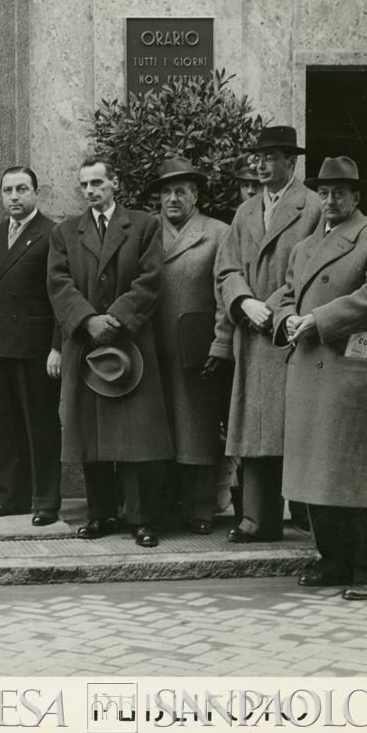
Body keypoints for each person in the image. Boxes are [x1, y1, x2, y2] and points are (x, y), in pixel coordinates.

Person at [273, 157, 367, 600]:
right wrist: (285, 320)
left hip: (349, 370)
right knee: (315, 474)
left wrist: (317, 319)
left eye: (339, 192)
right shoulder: (303, 248)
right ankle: (333, 559)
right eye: (323, 193)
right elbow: (285, 294)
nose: (329, 200)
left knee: (356, 474)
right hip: (309, 367)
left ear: (357, 196)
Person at [47, 155, 174, 548]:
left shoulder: (143, 225)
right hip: (86, 345)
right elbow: (58, 283)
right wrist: (88, 321)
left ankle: (142, 518)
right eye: (85, 185)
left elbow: (151, 280)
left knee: (134, 434)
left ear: (114, 183)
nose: (91, 191)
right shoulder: (66, 232)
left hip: (131, 343)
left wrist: (115, 319)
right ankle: (100, 514)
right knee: (92, 433)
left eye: (98, 183)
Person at [215, 126, 322, 543]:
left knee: (297, 428)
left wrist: (271, 306)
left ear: (291, 162)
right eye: (257, 157)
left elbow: (311, 268)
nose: (259, 164)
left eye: (270, 157)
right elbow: (226, 269)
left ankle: (309, 515)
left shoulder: (311, 206)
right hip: (251, 333)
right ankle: (258, 520)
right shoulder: (245, 212)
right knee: (257, 429)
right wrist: (243, 302)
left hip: (291, 333)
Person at [145, 157, 233, 534]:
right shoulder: (146, 232)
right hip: (152, 347)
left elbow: (225, 290)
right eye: (166, 191)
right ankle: (164, 509)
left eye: (181, 190)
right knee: (158, 429)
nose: (173, 198)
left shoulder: (218, 232)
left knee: (196, 427)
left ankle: (201, 509)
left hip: (197, 346)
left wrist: (221, 341)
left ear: (195, 194)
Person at [0, 166, 63, 525]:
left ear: (35, 194)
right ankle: (11, 496)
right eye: (8, 190)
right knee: (5, 427)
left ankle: (45, 501)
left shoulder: (51, 234)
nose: (14, 196)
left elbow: (61, 294)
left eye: (22, 189)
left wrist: (58, 346)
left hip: (36, 348)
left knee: (41, 426)